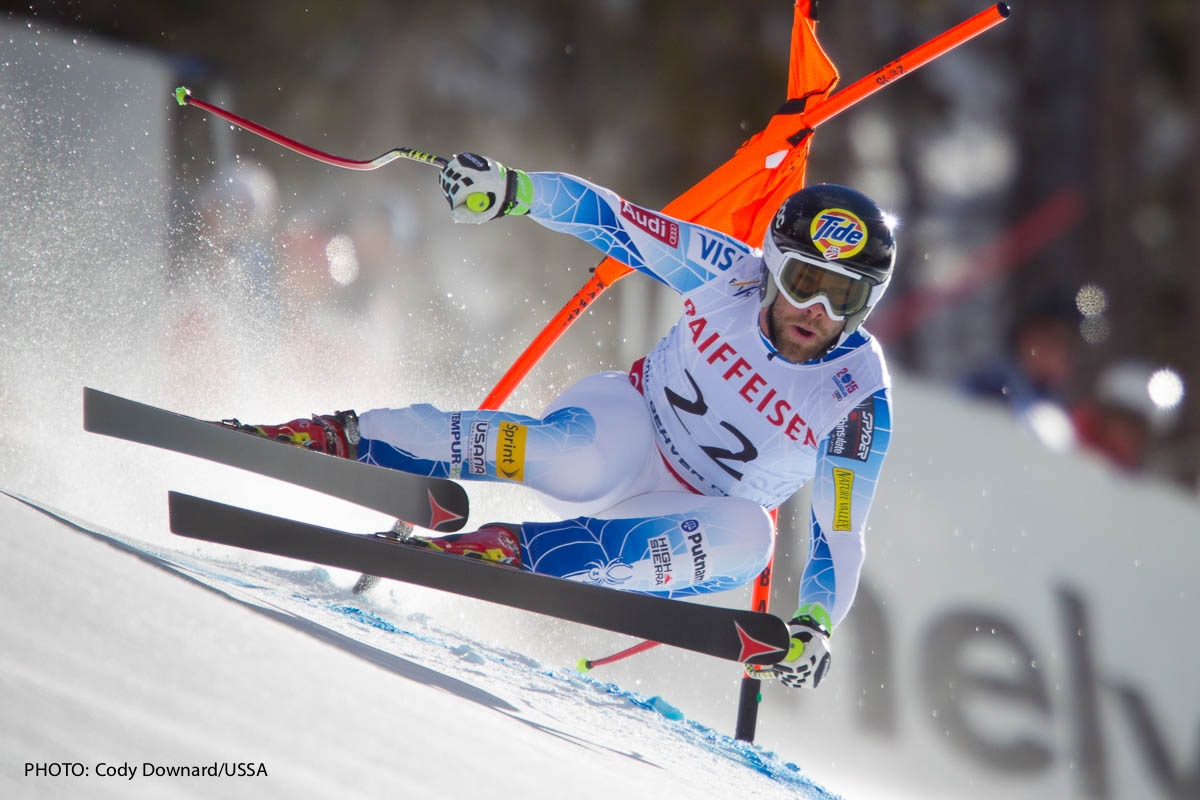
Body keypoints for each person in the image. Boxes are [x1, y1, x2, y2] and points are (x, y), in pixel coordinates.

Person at [231, 154, 897, 690]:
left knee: (753, 536)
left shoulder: (857, 396)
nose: (816, 309)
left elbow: (840, 530)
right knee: (578, 458)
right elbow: (614, 219)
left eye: (843, 296)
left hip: (691, 513)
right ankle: (342, 438)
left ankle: (510, 553)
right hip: (629, 426)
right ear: (773, 267)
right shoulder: (729, 273)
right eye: (804, 280)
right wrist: (514, 190)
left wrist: (816, 624)